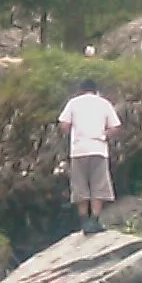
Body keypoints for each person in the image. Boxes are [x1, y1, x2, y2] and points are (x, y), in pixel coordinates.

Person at [57, 76, 122, 235]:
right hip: (98, 148)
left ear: (80, 90)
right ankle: (95, 220)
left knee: (80, 185)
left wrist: (72, 134)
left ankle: (84, 221)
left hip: (79, 150)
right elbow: (116, 127)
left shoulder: (73, 103)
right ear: (96, 90)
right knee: (98, 185)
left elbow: (64, 125)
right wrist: (103, 134)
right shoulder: (104, 103)